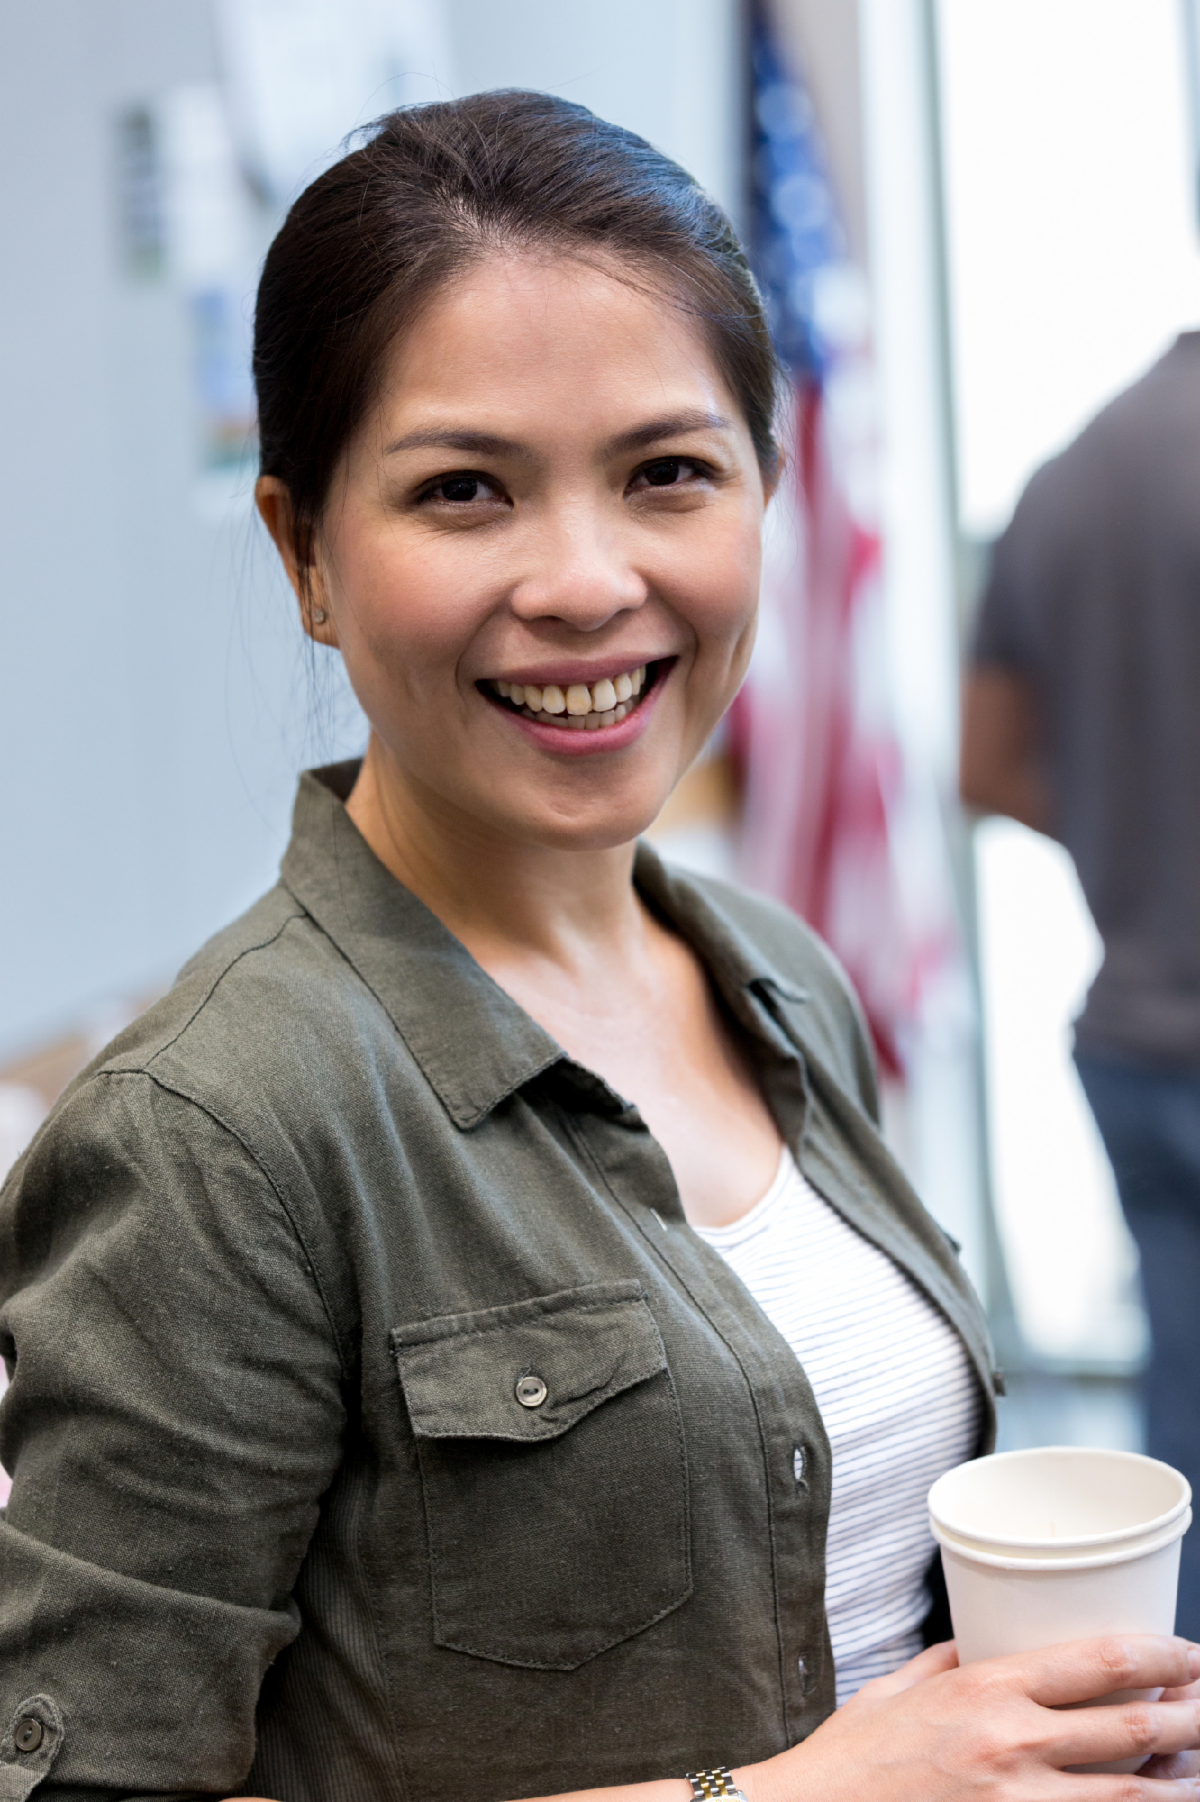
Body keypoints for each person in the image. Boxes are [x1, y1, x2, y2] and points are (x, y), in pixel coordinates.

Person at [2, 91, 1199, 1802]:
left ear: (763, 501)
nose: (583, 581)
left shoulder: (779, 978)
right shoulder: (216, 1134)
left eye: (667, 474)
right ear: (306, 552)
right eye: (465, 489)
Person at [960, 333, 1200, 1642]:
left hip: (1130, 1043)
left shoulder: (1069, 474)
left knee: (1185, 1437)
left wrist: (1132, 824)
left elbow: (987, 762)